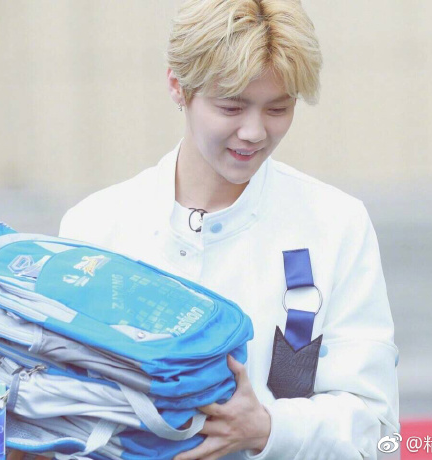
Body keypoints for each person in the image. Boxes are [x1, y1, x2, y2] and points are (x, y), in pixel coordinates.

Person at [58, 0, 399, 458]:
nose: (254, 132)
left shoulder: (336, 223)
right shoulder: (95, 227)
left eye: (278, 108)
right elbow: (63, 408)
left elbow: (379, 433)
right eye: (231, 107)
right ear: (178, 86)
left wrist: (269, 429)